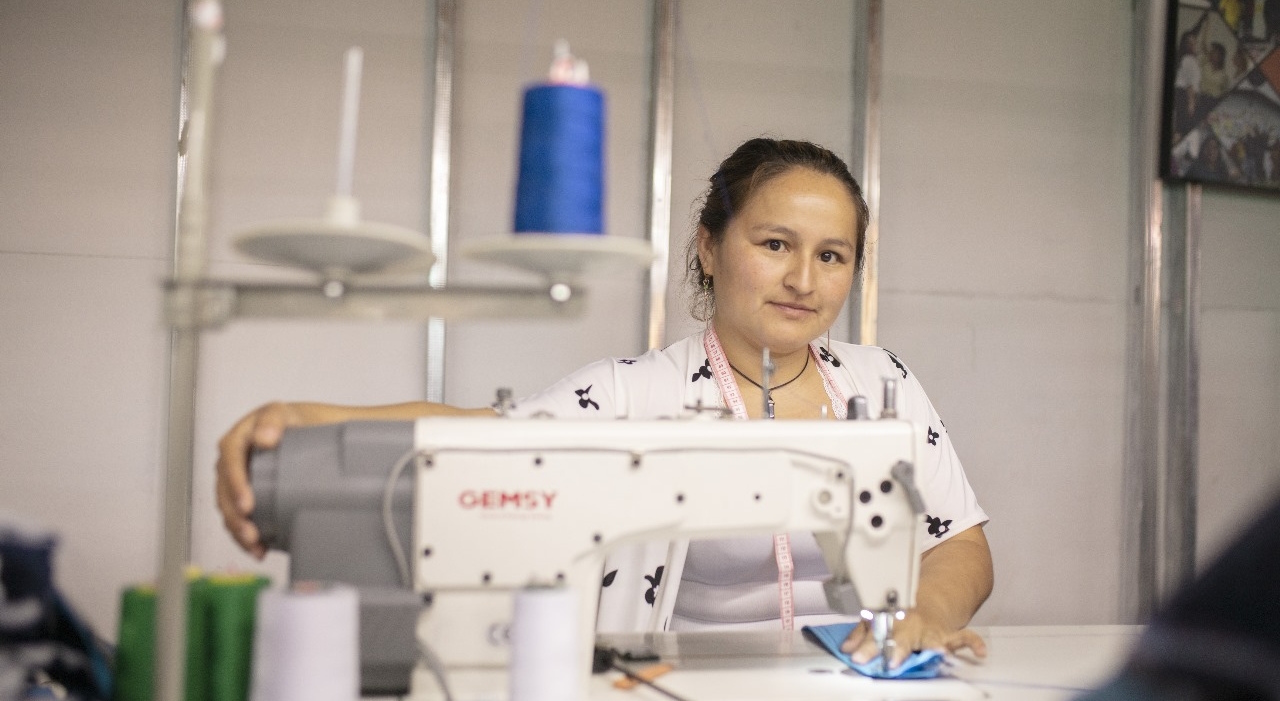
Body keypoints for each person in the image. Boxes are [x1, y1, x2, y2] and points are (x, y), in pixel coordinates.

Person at [216, 138, 994, 668]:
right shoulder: (634, 393)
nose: (803, 280)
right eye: (774, 244)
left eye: (832, 256)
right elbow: (482, 432)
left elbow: (959, 544)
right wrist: (304, 416)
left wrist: (926, 612)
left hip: (847, 679)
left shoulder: (882, 383)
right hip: (681, 686)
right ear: (708, 246)